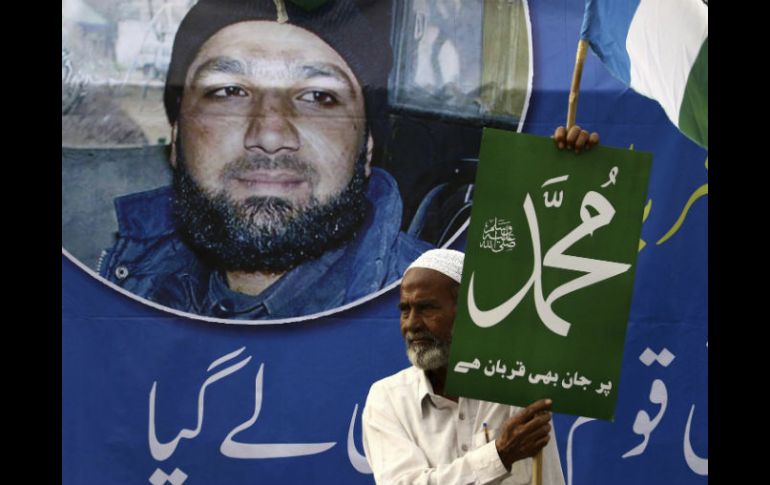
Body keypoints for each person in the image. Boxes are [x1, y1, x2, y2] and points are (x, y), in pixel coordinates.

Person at [97, 0, 432, 319]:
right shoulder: (116, 291)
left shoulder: (452, 329)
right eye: (229, 91)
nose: (271, 134)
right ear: (176, 136)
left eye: (318, 96)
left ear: (368, 147)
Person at [362, 244, 595, 484]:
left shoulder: (516, 383)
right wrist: (500, 455)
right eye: (405, 310)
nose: (411, 324)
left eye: (426, 308)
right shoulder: (387, 399)